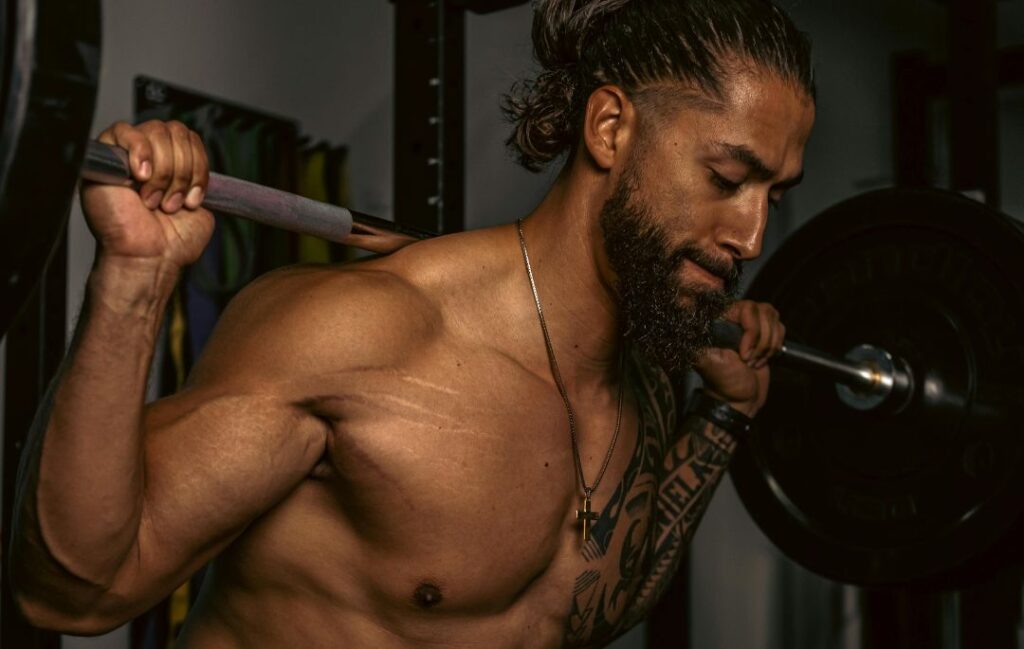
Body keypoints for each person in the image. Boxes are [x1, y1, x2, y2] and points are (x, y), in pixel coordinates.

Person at [11, 0, 814, 646]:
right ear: (610, 128)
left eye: (771, 196)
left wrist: (724, 416)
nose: (748, 237)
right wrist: (136, 280)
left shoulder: (642, 388)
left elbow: (606, 593)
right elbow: (74, 591)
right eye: (726, 177)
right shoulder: (364, 336)